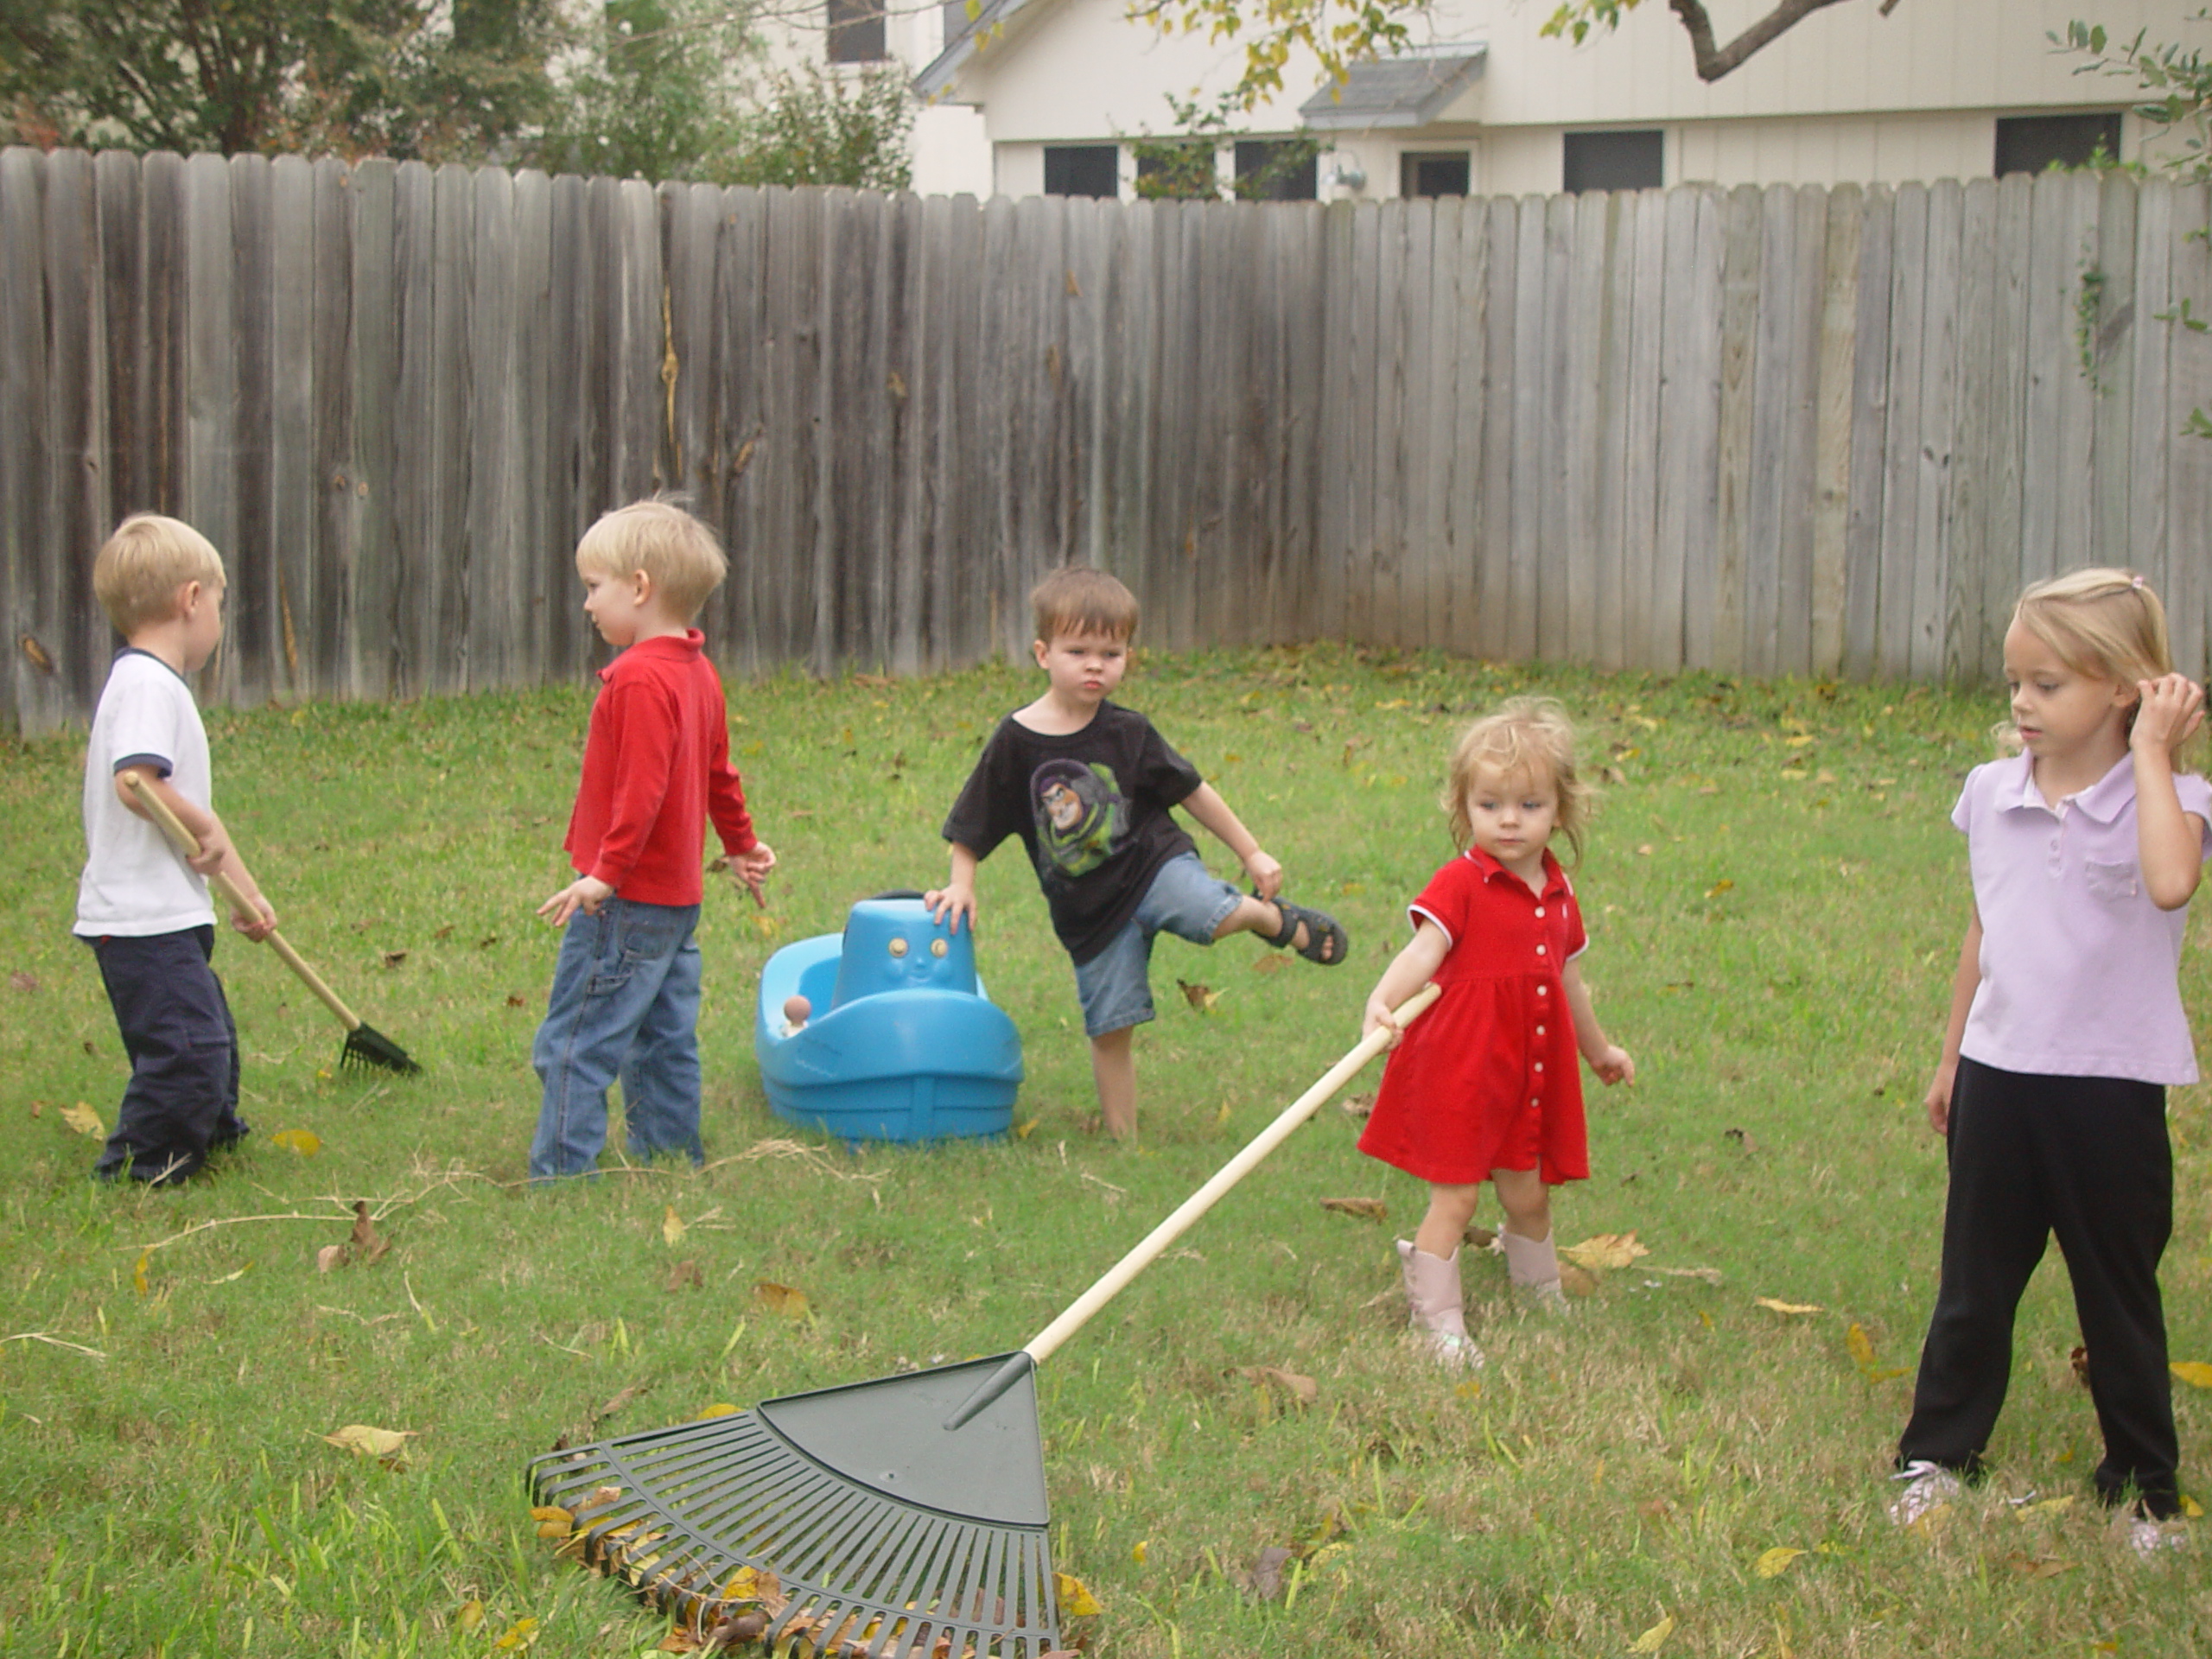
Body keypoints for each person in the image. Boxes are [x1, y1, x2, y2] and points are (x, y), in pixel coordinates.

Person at [1891, 569, 2208, 1554]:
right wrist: (1952, 1061)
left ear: (2125, 688)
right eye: (2014, 683)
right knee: (1974, 1282)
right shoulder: (1990, 793)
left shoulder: (2179, 799)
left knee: (2117, 1294)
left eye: (2048, 684)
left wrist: (2153, 753)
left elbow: (2167, 885)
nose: (2022, 704)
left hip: (2109, 1090)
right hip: (1999, 1076)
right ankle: (1936, 1457)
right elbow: (1985, 932)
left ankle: (2144, 1491)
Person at [926, 566, 1346, 1140]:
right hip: (1089, 912)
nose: (1097, 665)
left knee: (1211, 914)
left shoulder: (1129, 731)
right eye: (1079, 651)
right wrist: (961, 883)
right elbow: (973, 819)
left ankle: (1267, 918)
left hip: (1154, 866)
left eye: (1112, 652)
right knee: (1111, 1026)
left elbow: (1194, 793)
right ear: (1042, 653)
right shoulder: (1017, 740)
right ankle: (1124, 1140)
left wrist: (1252, 853)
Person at [1357, 696, 1633, 1368]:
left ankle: (1538, 1289)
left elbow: (1569, 985)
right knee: (1455, 1194)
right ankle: (1438, 1317)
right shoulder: (1461, 885)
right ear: (1465, 808)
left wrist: (1598, 1051)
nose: (1509, 820)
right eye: (1489, 805)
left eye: (1529, 805)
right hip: (1461, 1067)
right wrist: (1380, 1001)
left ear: (1559, 811)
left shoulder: (1560, 897)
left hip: (1526, 1071)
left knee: (1527, 1190)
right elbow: (1423, 953)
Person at [530, 501, 777, 1182]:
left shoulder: (640, 677)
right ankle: (670, 1156)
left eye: (593, 587)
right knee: (664, 1038)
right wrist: (742, 844)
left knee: (575, 1042)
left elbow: (641, 793)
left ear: (639, 588)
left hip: (628, 900)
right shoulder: (698, 672)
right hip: (675, 903)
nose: (587, 605)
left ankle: (562, 1175)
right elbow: (719, 775)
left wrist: (604, 875)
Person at [74, 514, 278, 1186]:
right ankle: (143, 1165)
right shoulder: (146, 684)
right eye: (219, 602)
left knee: (207, 1030)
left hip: (164, 912)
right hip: (138, 919)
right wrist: (207, 832)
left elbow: (195, 820)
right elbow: (137, 782)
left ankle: (211, 1128)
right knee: (189, 1045)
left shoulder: (151, 683)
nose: (218, 617)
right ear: (193, 599)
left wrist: (245, 895)